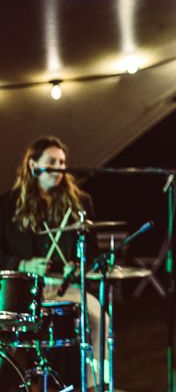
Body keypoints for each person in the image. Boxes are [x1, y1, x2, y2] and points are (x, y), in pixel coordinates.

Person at [0, 136, 109, 390]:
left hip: (65, 287)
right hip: (21, 292)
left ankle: (95, 385)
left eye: (62, 162)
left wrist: (79, 264)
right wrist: (23, 264)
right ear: (33, 165)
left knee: (99, 318)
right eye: (52, 162)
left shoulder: (80, 202)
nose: (60, 168)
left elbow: (91, 251)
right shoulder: (6, 205)